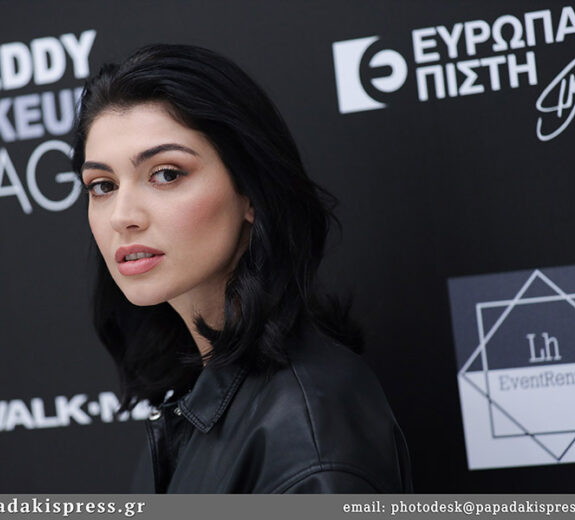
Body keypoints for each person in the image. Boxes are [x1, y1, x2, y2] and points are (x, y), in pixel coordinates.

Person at [72, 43, 412, 493]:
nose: (122, 216)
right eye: (102, 185)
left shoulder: (306, 433)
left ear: (251, 191)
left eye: (166, 174)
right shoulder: (200, 392)